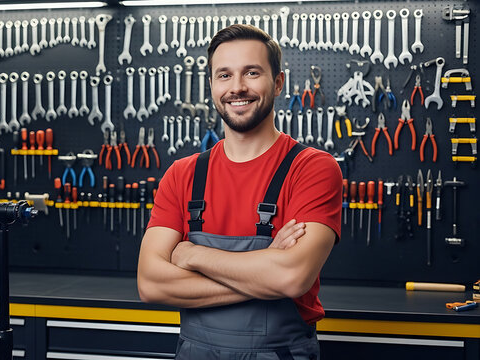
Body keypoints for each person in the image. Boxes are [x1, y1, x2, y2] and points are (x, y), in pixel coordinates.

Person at [137, 24, 342, 359]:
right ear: (212, 86)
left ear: (278, 83)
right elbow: (150, 284)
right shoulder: (181, 174)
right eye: (224, 75)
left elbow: (291, 279)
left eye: (251, 72)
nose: (237, 87)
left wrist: (191, 255)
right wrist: (263, 271)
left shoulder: (313, 168)